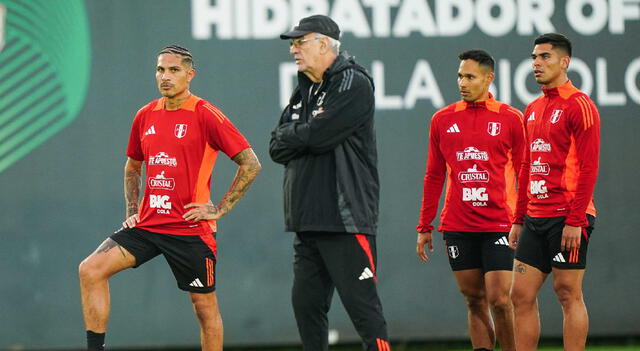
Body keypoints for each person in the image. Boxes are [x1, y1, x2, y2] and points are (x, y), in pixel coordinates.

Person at [78, 45, 261, 351]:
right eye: (160, 69)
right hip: (148, 226)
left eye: (174, 70)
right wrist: (132, 210)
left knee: (204, 310)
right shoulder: (145, 115)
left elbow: (251, 163)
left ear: (190, 75)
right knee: (90, 269)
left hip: (190, 230)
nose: (165, 76)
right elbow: (133, 166)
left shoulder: (205, 114)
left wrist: (220, 208)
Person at [269, 15, 391, 351]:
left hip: (345, 220)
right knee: (306, 308)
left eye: (299, 42)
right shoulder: (304, 90)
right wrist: (301, 135)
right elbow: (275, 146)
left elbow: (319, 136)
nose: (293, 49)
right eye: (292, 43)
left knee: (364, 311)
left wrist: (299, 134)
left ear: (324, 44)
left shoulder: (353, 82)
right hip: (307, 221)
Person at [416, 50, 524, 351]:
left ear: (489, 78)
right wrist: (425, 225)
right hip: (458, 225)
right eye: (460, 76)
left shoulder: (511, 119)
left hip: (499, 223)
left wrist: (522, 218)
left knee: (500, 300)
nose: (462, 82)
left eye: (470, 76)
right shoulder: (442, 119)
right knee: (474, 300)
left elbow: (524, 171)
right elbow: (433, 175)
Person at [508, 33, 600, 351]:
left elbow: (588, 168)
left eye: (545, 57)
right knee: (519, 295)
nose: (536, 63)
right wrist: (519, 217)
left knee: (567, 293)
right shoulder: (532, 109)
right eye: (534, 57)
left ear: (564, 62)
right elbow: (526, 166)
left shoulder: (580, 105)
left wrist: (576, 219)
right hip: (534, 217)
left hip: (568, 217)